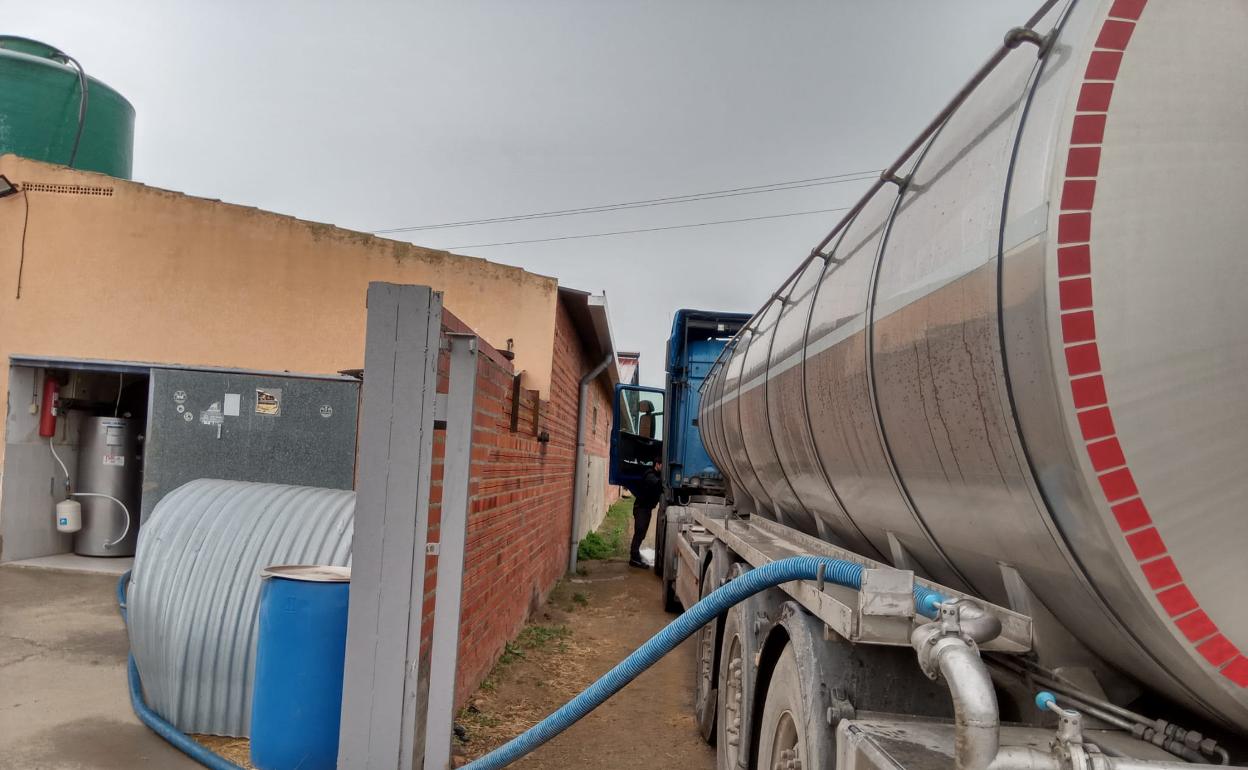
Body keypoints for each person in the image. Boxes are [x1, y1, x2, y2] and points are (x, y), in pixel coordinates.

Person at [629, 460, 662, 568]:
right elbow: (657, 483)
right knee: (639, 532)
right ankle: (634, 558)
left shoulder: (655, 474)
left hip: (646, 509)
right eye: (662, 465)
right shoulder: (649, 474)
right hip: (641, 508)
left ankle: (635, 555)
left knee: (642, 534)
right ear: (657, 464)